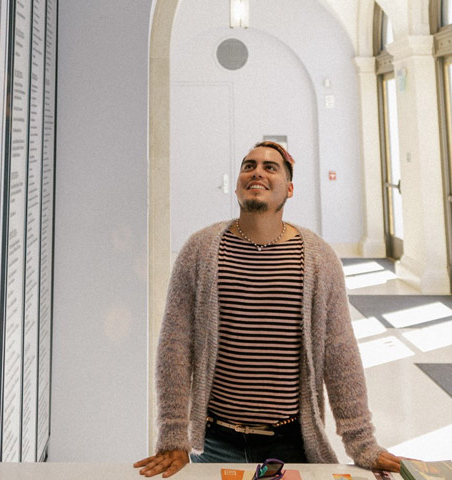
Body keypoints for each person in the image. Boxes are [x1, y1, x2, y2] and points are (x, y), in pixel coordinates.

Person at [134, 141, 402, 477]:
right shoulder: (200, 251)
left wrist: (362, 444)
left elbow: (339, 353)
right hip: (215, 443)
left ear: (289, 189)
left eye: (270, 167)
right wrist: (174, 435)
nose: (257, 171)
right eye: (249, 165)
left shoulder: (319, 259)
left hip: (290, 444)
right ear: (237, 185)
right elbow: (175, 345)